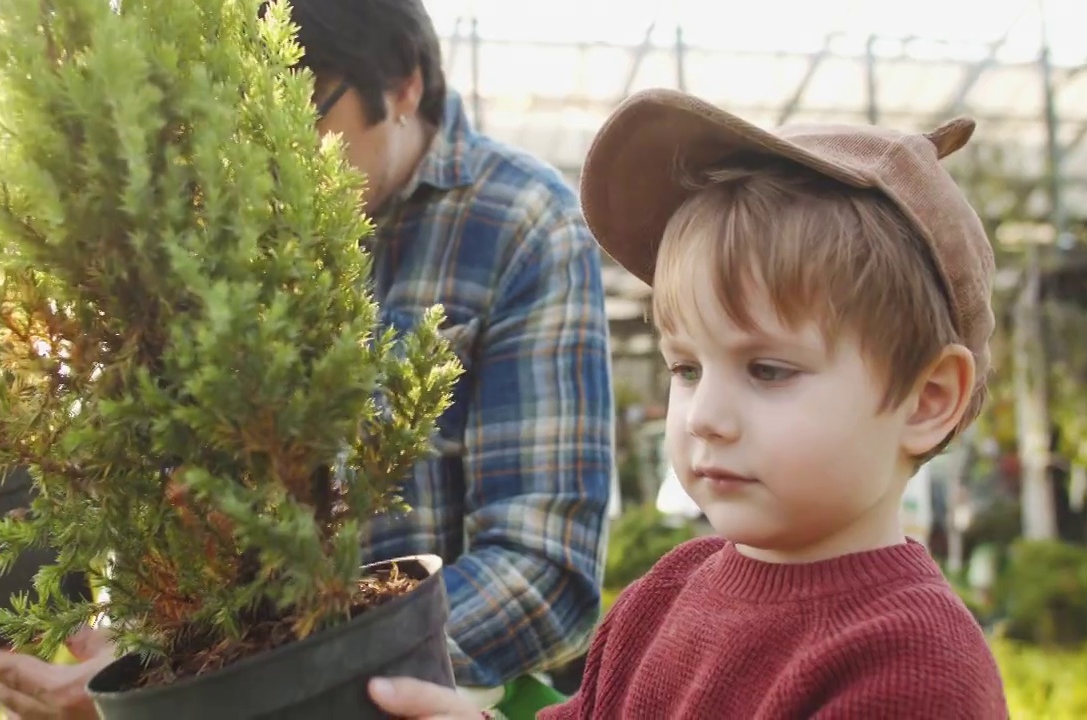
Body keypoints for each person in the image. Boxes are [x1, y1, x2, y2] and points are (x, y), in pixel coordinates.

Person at [0, 0, 614, 716]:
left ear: (404, 84)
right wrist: (122, 661)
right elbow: (160, 530)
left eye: (301, 107)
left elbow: (545, 569)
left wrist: (288, 677)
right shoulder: (205, 239)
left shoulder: (523, 223)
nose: (263, 152)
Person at [366, 88, 1011, 718]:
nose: (704, 416)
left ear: (927, 400)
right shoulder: (665, 594)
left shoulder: (913, 669)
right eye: (687, 368)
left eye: (768, 370)